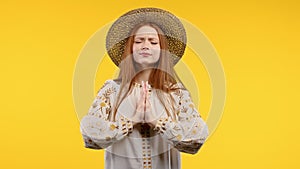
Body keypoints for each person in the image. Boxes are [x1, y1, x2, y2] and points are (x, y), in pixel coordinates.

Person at [80, 7, 209, 169]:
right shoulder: (111, 91)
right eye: (139, 41)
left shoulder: (176, 93)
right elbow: (90, 136)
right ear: (130, 49)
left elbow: (196, 138)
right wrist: (132, 120)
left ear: (162, 51)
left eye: (153, 42)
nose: (145, 45)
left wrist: (156, 121)